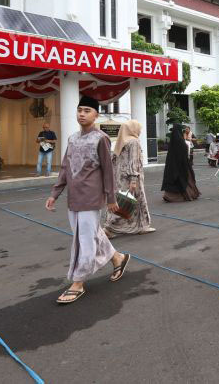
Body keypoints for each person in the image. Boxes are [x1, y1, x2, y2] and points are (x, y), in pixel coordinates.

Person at [45, 95, 130, 304]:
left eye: (87, 111)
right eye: (79, 110)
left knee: (84, 240)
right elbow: (65, 167)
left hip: (92, 197)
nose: (82, 114)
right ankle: (118, 257)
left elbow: (108, 170)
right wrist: (55, 193)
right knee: (90, 234)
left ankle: (78, 281)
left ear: (96, 114)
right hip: (74, 197)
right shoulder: (72, 138)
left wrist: (111, 197)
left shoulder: (100, 138)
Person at [104, 119, 154, 238]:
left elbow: (113, 160)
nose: (140, 130)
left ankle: (139, 226)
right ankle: (111, 227)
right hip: (131, 177)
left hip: (120, 178)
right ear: (132, 129)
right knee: (132, 201)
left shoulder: (121, 141)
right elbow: (134, 161)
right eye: (139, 128)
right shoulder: (134, 142)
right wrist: (133, 180)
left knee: (124, 201)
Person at [161, 125, 201, 202]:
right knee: (184, 180)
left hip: (172, 166)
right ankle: (188, 194)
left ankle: (168, 196)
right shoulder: (181, 142)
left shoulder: (172, 141)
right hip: (182, 165)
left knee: (173, 180)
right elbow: (185, 155)